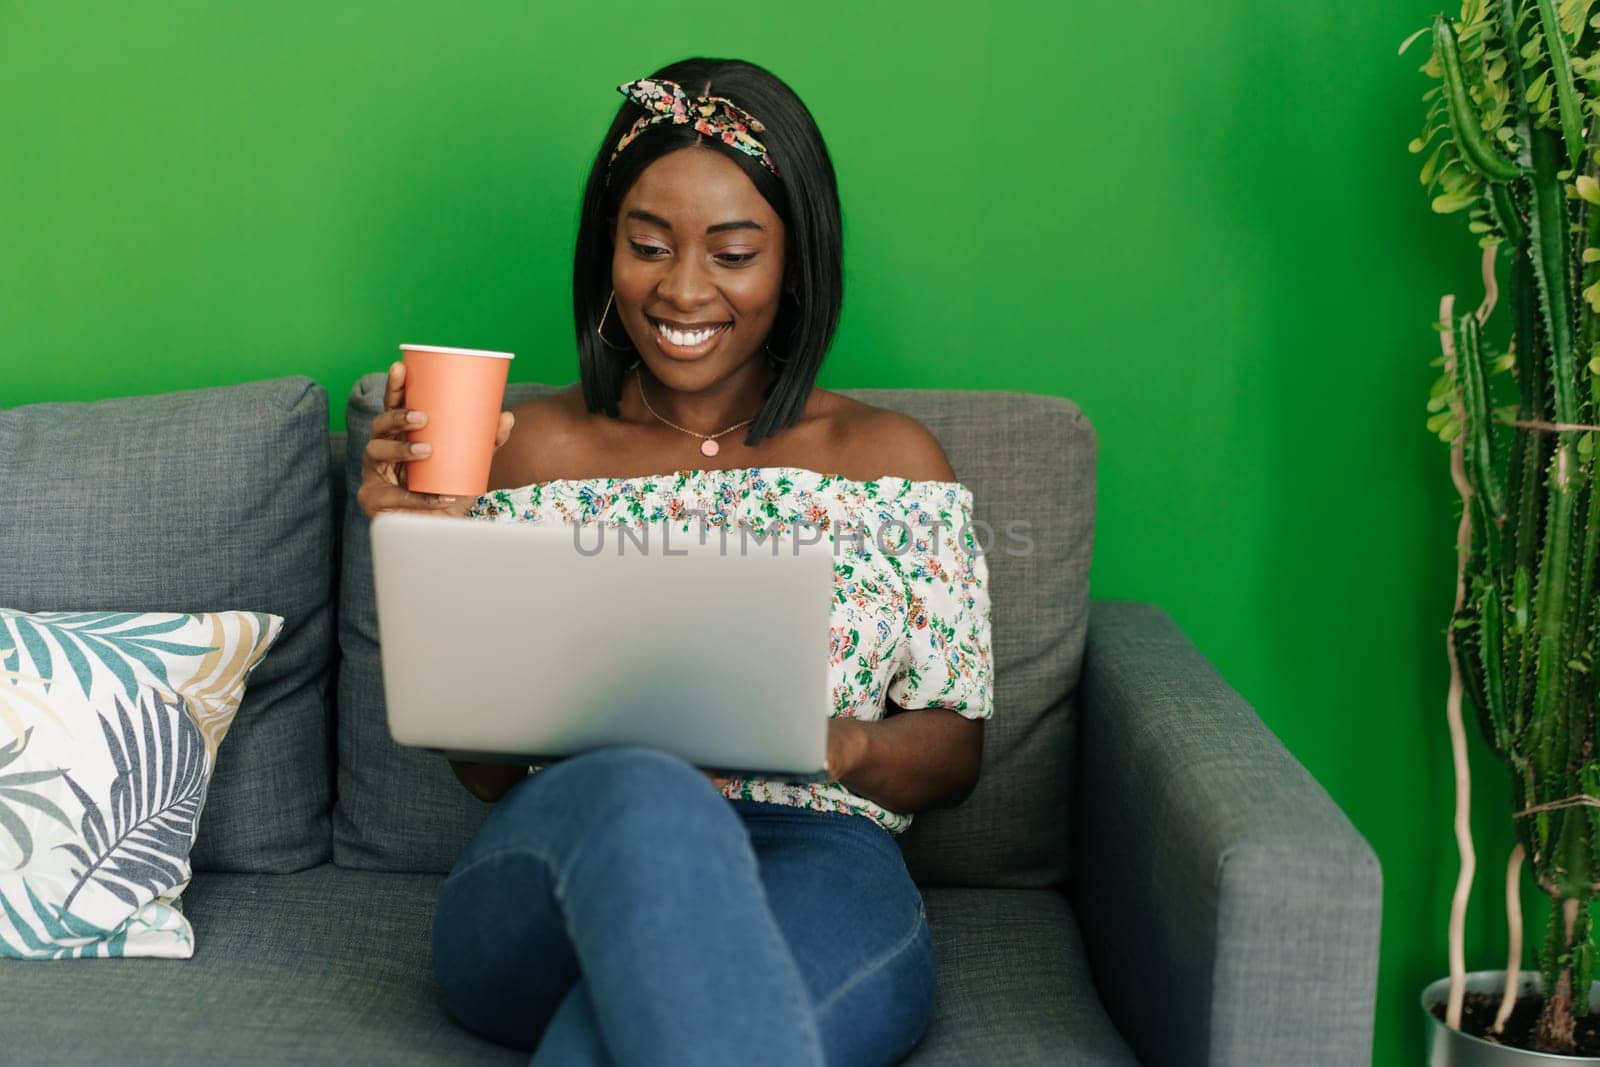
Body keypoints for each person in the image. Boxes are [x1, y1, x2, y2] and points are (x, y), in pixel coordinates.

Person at [355, 57, 994, 1067]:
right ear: (607, 248)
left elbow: (952, 750)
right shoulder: (518, 447)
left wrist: (837, 745)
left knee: (683, 1030)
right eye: (647, 246)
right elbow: (483, 772)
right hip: (563, 853)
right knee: (648, 789)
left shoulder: (892, 464)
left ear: (796, 262)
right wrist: (416, 541)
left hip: (817, 856)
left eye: (734, 251)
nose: (683, 288)